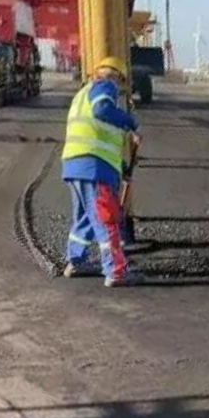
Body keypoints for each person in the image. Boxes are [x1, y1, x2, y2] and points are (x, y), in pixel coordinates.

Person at [61, 56, 143, 287]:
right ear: (117, 78)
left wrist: (121, 167)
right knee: (106, 219)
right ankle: (116, 270)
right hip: (94, 168)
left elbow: (97, 134)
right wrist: (132, 123)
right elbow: (102, 110)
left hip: (75, 165)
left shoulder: (82, 94)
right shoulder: (103, 87)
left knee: (84, 219)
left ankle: (75, 261)